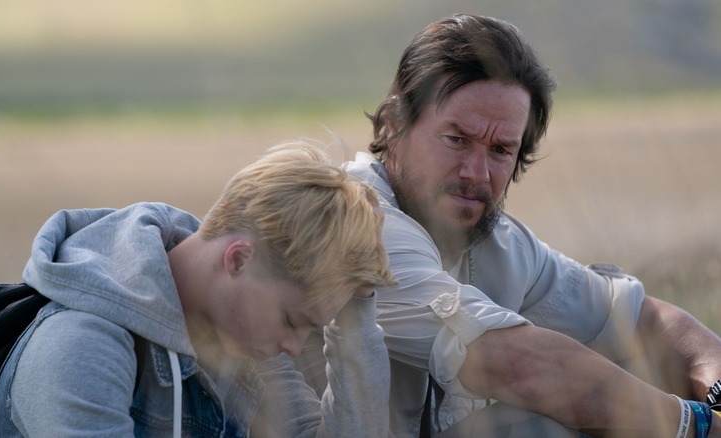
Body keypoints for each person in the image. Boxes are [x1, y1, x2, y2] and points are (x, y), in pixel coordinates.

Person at [295, 14, 721, 437]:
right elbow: (511, 364)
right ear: (394, 124)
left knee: (642, 372)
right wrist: (697, 426)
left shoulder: (494, 239)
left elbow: (636, 318)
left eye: (500, 149)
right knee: (562, 421)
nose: (477, 173)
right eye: (457, 139)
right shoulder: (355, 219)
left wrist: (716, 387)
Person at [0, 141, 395, 437]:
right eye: (291, 320)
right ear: (238, 259)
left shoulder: (240, 343)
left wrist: (356, 309)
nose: (293, 346)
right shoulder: (83, 347)